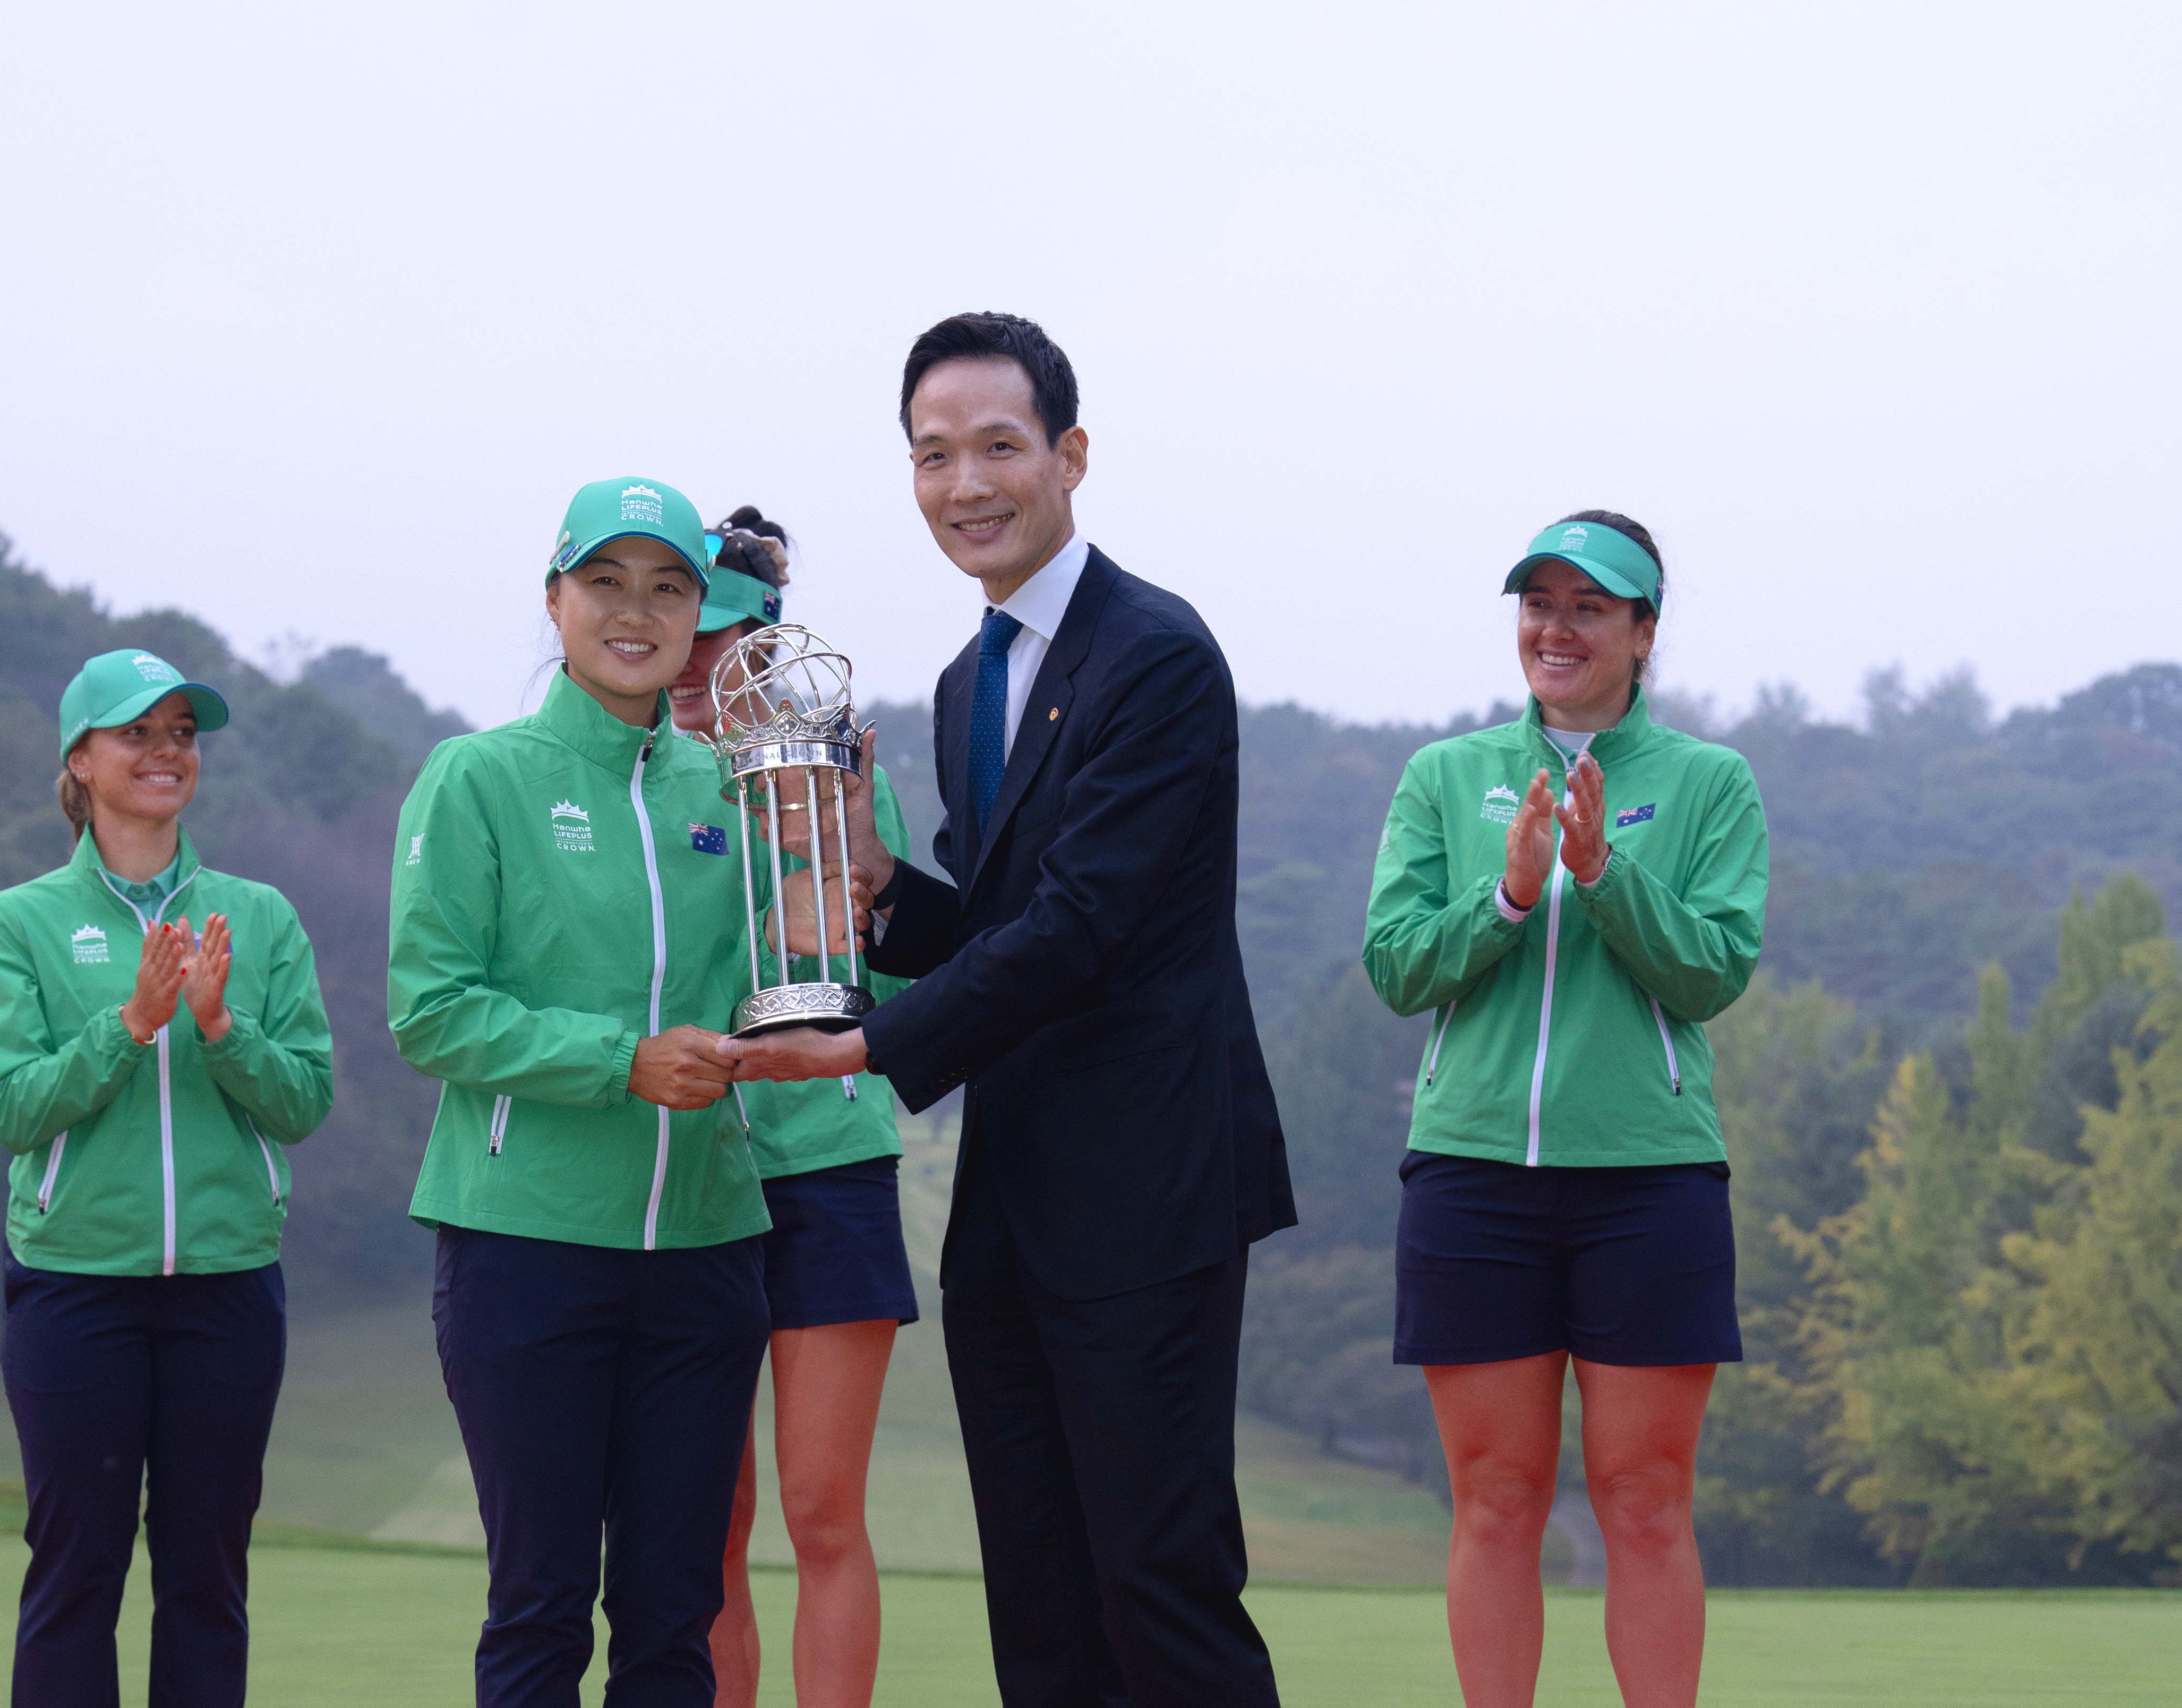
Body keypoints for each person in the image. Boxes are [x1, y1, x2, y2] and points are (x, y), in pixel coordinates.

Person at [720, 313, 1297, 1708]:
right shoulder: (969, 678)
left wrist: (868, 1045)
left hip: (1149, 1192)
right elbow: (993, 922)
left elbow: (1086, 926)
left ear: (1070, 456)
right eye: (934, 455)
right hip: (1015, 1199)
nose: (965, 484)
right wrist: (878, 887)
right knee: (1040, 1600)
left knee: (1158, 1584)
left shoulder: (1155, 654)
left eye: (997, 446)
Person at [388, 476, 839, 1707]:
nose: (635, 613)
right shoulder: (477, 777)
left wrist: (829, 897)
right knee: (537, 1609)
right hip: (524, 1248)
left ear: (699, 613)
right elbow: (430, 1009)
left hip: (705, 1251)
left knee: (672, 1616)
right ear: (556, 599)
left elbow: (791, 982)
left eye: (667, 588)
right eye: (605, 583)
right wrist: (619, 1062)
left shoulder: (728, 788)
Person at [1361, 513, 1768, 1708]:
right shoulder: (1444, 777)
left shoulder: (1710, 784)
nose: (1556, 627)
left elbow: (1710, 974)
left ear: (1642, 633)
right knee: (1494, 1500)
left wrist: (1601, 875)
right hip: (1471, 1175)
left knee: (1643, 1501)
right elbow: (1395, 968)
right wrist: (1506, 894)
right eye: (1537, 604)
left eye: (1589, 607)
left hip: (1649, 1181)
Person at [0, 648, 336, 1708]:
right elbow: (16, 1109)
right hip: (75, 1287)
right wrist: (131, 1022)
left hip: (226, 1286)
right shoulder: (20, 920)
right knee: (76, 1578)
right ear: (79, 761)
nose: (165, 752)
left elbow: (302, 1104)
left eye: (182, 732)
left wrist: (220, 1027)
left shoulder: (255, 916)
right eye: (137, 733)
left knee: (208, 1580)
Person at [669, 509, 920, 1708]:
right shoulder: (649, 788)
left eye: (713, 641)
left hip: (829, 1168)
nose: (686, 668)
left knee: (823, 1513)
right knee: (706, 1522)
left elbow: (919, 993)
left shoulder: (840, 784)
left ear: (767, 645)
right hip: (689, 1177)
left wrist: (852, 891)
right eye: (676, 636)